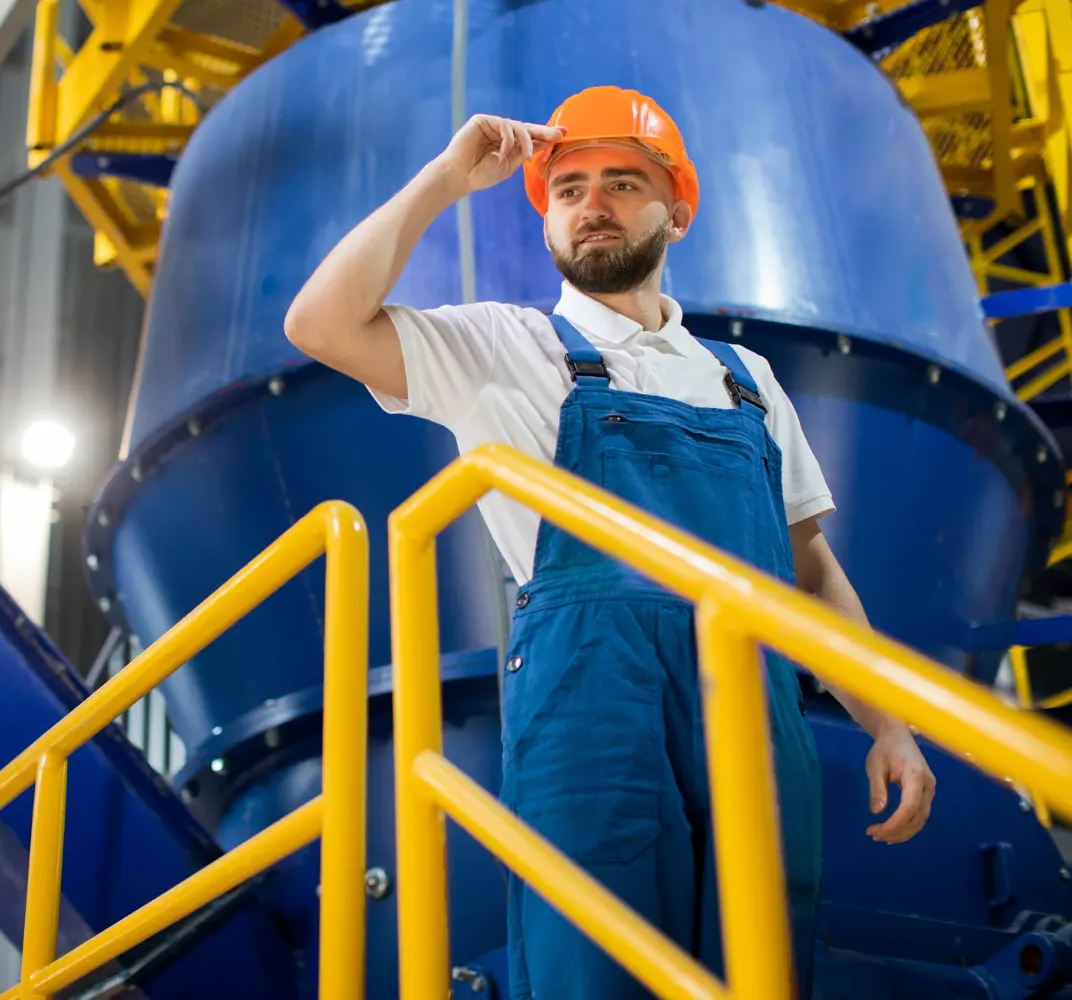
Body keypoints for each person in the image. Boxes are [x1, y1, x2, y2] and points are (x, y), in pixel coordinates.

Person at [283, 86, 937, 999]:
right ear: (547, 219)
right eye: (569, 187)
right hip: (593, 707)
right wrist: (444, 179)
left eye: (623, 183)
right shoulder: (504, 348)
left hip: (753, 708)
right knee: (593, 965)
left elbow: (814, 571)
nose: (592, 205)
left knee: (763, 967)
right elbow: (319, 323)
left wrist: (886, 722)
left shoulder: (745, 379)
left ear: (677, 212)